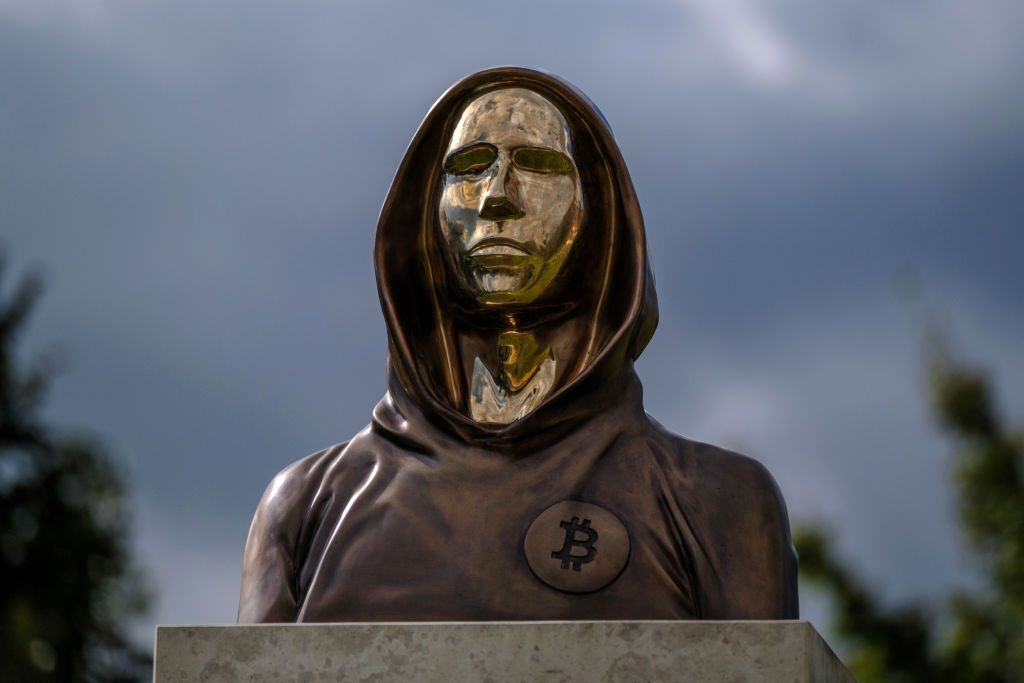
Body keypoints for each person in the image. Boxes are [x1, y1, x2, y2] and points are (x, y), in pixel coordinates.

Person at [237, 67, 798, 622]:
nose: (497, 199)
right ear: (424, 217)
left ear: (599, 215)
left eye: (537, 165)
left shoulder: (714, 501)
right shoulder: (308, 506)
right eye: (469, 169)